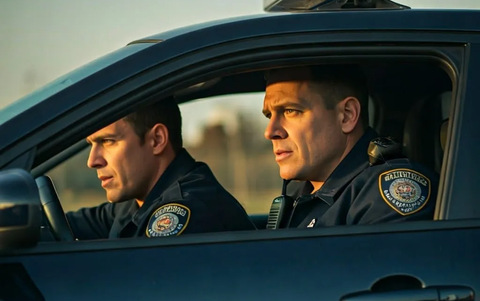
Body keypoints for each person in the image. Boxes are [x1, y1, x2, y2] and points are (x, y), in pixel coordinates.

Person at [262, 64, 438, 228]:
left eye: (290, 111)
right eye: (269, 115)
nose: (270, 132)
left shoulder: (382, 196)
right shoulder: (299, 191)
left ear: (346, 115)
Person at [66, 98, 256, 239]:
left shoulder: (189, 212)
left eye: (108, 141)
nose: (92, 161)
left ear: (157, 140)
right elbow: (66, 224)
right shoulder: (136, 202)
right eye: (91, 144)